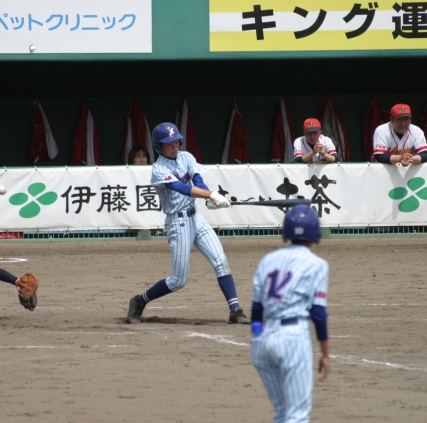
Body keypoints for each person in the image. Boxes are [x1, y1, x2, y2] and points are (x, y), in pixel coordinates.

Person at [126, 122, 250, 325]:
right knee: (178, 280)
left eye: (176, 142)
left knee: (221, 262)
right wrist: (211, 195)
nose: (174, 146)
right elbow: (180, 187)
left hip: (196, 217)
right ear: (158, 147)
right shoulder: (158, 169)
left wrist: (208, 196)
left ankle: (235, 310)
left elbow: (197, 180)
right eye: (169, 144)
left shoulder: (186, 157)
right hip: (178, 222)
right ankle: (139, 301)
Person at [250, 204, 330, 423]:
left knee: (282, 412)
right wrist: (325, 354)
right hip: (293, 338)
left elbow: (256, 309)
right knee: (297, 415)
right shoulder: (317, 264)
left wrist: (257, 337)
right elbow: (318, 313)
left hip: (263, 342)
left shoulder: (268, 260)